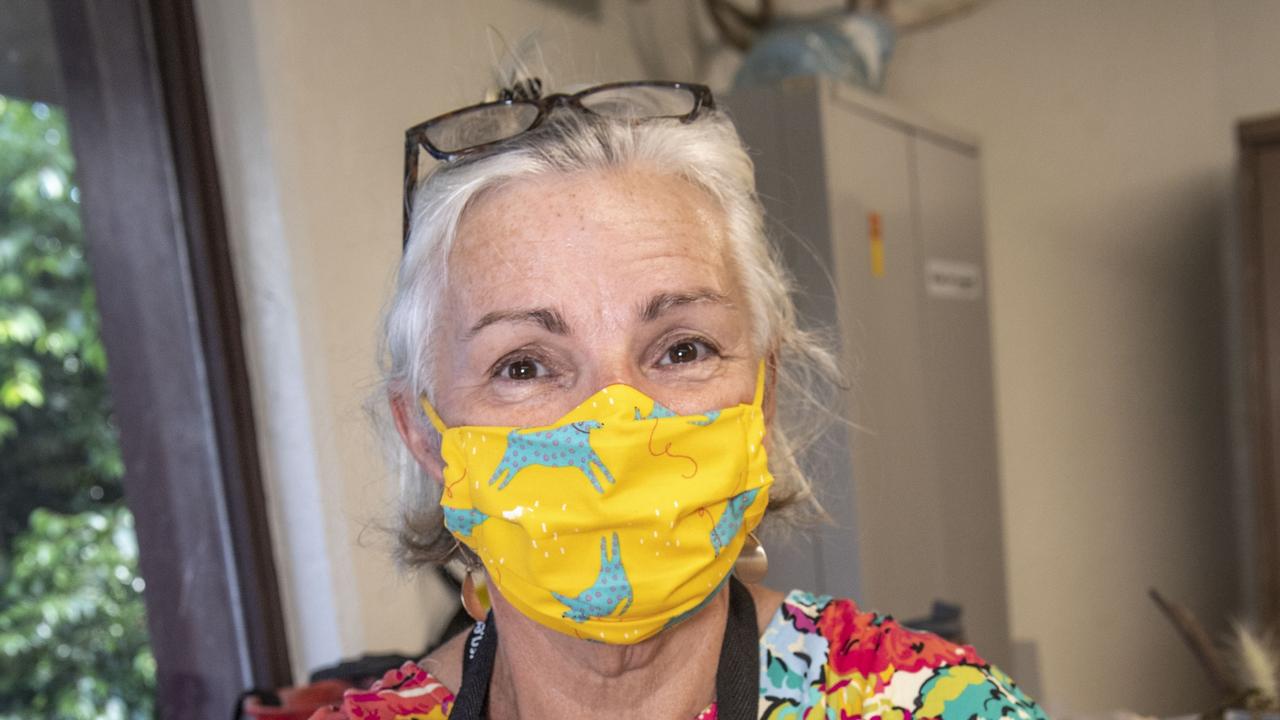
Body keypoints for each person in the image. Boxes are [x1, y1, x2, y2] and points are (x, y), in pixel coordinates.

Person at [310, 80, 1046, 720]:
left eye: (681, 349)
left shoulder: (936, 704)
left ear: (763, 397)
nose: (617, 419)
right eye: (525, 366)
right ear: (426, 435)